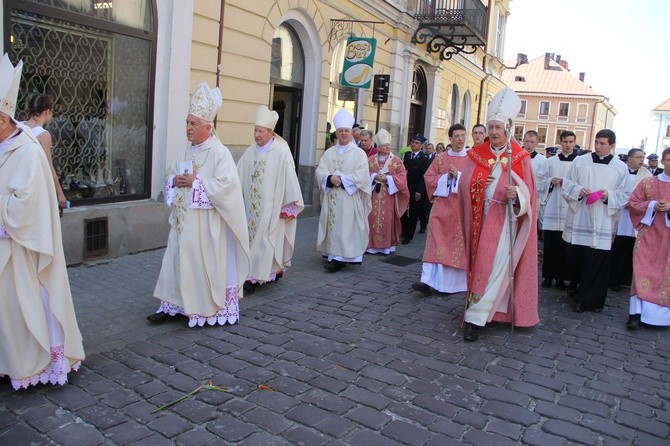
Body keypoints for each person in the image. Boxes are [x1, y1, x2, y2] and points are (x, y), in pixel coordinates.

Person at [0, 54, 84, 389]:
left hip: (21, 247)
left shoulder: (27, 149)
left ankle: (36, 361)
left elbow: (29, 203)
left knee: (25, 304)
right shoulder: (6, 144)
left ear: (4, 120)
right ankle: (10, 360)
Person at [151, 82, 250, 326]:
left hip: (205, 226)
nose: (188, 128)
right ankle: (171, 305)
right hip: (183, 222)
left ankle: (198, 307)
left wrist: (197, 182)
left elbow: (227, 187)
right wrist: (174, 180)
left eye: (193, 124)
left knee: (196, 265)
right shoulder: (185, 150)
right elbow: (171, 174)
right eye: (187, 122)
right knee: (174, 260)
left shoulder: (220, 153)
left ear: (208, 127)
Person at [458, 87, 539, 342]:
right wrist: (480, 183)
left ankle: (481, 317)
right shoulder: (476, 155)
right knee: (483, 265)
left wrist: (519, 197)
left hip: (506, 224)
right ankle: (474, 316)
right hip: (481, 221)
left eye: (498, 128)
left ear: (508, 128)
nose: (493, 133)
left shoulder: (521, 157)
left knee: (496, 268)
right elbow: (464, 185)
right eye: (490, 128)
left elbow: (530, 194)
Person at [237, 105, 304, 294]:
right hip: (250, 208)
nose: (257, 135)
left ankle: (257, 277)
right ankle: (253, 273)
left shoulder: (281, 152)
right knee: (253, 240)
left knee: (265, 240)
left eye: (260, 131)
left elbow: (290, 180)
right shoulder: (250, 151)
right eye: (255, 131)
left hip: (271, 208)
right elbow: (237, 175)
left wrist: (288, 206)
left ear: (270, 132)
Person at [562, 129, 629, 312]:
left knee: (596, 262)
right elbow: (567, 183)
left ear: (612, 146)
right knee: (576, 257)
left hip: (602, 221)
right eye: (596, 142)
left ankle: (588, 300)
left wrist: (609, 195)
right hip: (580, 216)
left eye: (602, 143)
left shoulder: (620, 167)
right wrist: (578, 190)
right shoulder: (580, 161)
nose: (598, 147)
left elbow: (625, 195)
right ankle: (574, 285)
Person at [412, 124, 469, 296]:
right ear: (450, 139)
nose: (460, 139)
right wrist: (446, 177)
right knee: (434, 243)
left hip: (460, 210)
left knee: (454, 247)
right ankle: (427, 281)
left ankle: (450, 285)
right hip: (441, 209)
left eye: (463, 136)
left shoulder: (471, 158)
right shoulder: (440, 158)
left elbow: (475, 182)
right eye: (457, 136)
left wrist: (458, 176)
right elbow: (429, 178)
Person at [316, 108, 372, 272]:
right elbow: (320, 170)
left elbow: (362, 175)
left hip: (348, 197)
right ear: (337, 133)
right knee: (334, 224)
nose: (343, 134)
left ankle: (342, 258)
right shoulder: (329, 152)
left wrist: (342, 180)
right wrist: (329, 178)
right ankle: (332, 255)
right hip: (332, 196)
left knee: (346, 226)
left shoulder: (359, 153)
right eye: (340, 131)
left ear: (351, 133)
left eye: (346, 131)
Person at [626, 148, 670, 330]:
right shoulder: (648, 183)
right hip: (649, 235)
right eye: (669, 160)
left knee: (663, 275)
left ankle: (660, 318)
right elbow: (633, 203)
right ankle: (635, 314)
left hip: (667, 240)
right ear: (662, 160)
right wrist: (652, 204)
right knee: (641, 271)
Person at [540, 130, 579, 290]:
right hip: (553, 206)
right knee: (550, 246)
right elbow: (540, 180)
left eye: (571, 142)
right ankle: (548, 276)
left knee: (566, 248)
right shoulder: (550, 162)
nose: (568, 145)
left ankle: (562, 278)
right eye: (565, 142)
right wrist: (550, 181)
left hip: (569, 209)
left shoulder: (579, 162)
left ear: (574, 143)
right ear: (560, 143)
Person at [608, 148, 651, 291]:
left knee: (629, 249)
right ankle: (610, 277)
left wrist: (636, 204)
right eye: (638, 157)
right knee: (615, 247)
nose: (641, 160)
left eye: (643, 157)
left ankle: (622, 279)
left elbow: (650, 196)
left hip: (635, 217)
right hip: (619, 215)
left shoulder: (647, 175)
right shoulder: (619, 171)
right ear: (630, 159)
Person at [366, 129, 409, 255]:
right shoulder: (371, 159)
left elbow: (402, 176)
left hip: (388, 196)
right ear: (378, 147)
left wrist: (388, 178)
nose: (388, 147)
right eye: (385, 145)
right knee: (372, 218)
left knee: (387, 219)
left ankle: (386, 247)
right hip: (374, 194)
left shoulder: (396, 160)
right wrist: (373, 176)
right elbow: (364, 174)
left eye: (389, 145)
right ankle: (371, 246)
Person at [22, 94, 67, 210]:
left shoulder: (19, 126)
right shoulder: (43, 135)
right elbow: (49, 166)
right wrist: (60, 193)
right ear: (47, 112)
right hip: (33, 184)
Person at [401, 134, 429, 243]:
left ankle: (409, 235)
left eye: (416, 143)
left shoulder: (424, 158)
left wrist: (419, 191)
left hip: (417, 188)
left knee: (413, 212)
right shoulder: (407, 155)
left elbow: (424, 176)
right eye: (412, 142)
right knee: (403, 210)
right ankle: (405, 229)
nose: (413, 144)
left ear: (421, 145)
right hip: (406, 187)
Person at [522, 130, 550, 226]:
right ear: (523, 141)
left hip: (534, 196)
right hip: (518, 194)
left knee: (531, 222)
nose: (529, 145)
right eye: (527, 141)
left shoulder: (542, 160)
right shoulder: (516, 156)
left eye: (532, 142)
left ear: (537, 142)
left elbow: (543, 181)